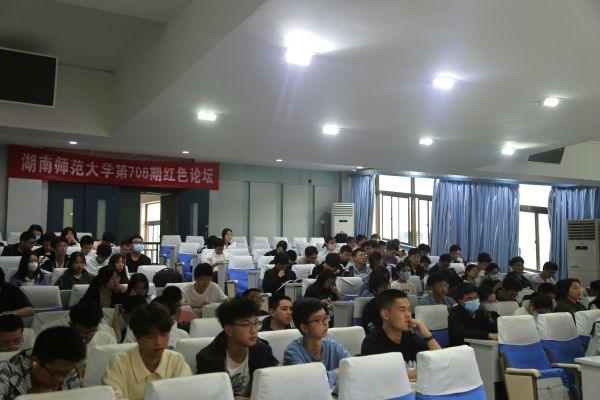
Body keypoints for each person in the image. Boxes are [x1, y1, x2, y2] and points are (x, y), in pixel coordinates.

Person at [102, 303, 192, 400]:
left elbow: (186, 394)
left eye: (164, 335)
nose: (158, 342)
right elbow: (112, 397)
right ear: (137, 337)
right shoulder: (119, 363)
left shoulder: (176, 360)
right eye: (150, 336)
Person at [196, 297, 278, 399]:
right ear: (229, 330)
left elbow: (271, 385)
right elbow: (210, 395)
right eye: (246, 324)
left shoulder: (262, 349)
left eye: (256, 323)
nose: (253, 330)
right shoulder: (207, 357)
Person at [361, 289, 440, 378]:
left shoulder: (412, 338)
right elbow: (380, 376)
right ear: (385, 314)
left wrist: (427, 334)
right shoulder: (372, 342)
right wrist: (422, 372)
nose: (408, 315)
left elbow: (441, 362)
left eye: (409, 309)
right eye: (402, 310)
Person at [0, 326, 86, 399]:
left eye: (66, 374)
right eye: (55, 373)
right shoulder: (6, 372)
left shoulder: (70, 370)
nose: (61, 379)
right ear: (35, 362)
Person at [284, 298, 350, 391]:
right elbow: (308, 385)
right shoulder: (293, 352)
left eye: (325, 317)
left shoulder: (334, 346)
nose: (326, 323)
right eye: (319, 320)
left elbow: (353, 368)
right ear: (304, 327)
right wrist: (337, 372)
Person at [40, 300, 116, 354]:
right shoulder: (51, 337)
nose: (88, 337)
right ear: (71, 324)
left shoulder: (107, 337)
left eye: (92, 332)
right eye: (82, 332)